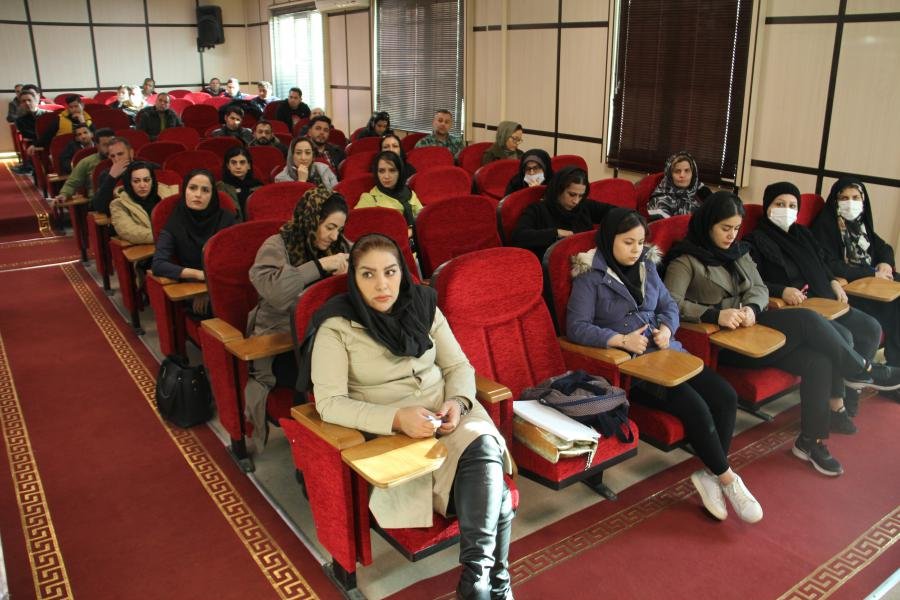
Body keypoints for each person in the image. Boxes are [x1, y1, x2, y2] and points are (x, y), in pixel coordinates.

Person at [302, 232, 513, 599]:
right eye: (368, 274)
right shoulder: (335, 325)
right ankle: (494, 583)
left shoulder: (423, 305)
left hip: (448, 416)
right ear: (353, 278)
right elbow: (330, 403)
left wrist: (458, 402)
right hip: (391, 437)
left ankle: (476, 580)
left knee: (481, 442)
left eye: (390, 272)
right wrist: (398, 418)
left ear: (403, 271)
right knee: (498, 498)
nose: (382, 285)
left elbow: (458, 366)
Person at [663, 192, 889, 477]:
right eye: (725, 228)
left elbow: (759, 288)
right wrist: (714, 314)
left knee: (818, 361)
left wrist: (752, 308)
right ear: (708, 224)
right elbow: (670, 303)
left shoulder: (739, 252)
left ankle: (811, 442)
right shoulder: (685, 260)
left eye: (736, 228)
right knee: (807, 319)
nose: (731, 235)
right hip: (724, 343)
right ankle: (863, 369)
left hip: (754, 328)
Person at [568, 208, 762, 523]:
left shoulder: (647, 265)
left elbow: (669, 304)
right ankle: (728, 479)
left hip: (667, 352)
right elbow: (576, 327)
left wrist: (668, 329)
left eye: (640, 242)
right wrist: (620, 340)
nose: (636, 250)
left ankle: (710, 475)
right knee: (697, 407)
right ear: (609, 240)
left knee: (725, 395)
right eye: (628, 242)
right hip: (634, 369)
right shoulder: (590, 277)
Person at [744, 182, 897, 415]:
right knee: (844, 336)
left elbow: (823, 263)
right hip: (794, 307)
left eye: (792, 206)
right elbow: (753, 281)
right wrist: (781, 291)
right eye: (780, 204)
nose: (786, 210)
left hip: (822, 298)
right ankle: (842, 399)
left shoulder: (803, 234)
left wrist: (833, 281)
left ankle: (853, 388)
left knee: (870, 328)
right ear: (767, 207)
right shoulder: (755, 241)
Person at [244, 186, 350, 447]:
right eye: (329, 227)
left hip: (326, 337)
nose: (334, 236)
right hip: (282, 341)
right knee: (320, 377)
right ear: (311, 220)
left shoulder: (339, 245)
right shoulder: (276, 245)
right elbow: (278, 293)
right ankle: (312, 448)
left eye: (339, 229)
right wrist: (321, 265)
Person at [811, 177, 900, 371]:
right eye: (844, 198)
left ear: (863, 200)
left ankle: (895, 364)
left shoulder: (861, 224)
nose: (850, 203)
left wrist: (885, 264)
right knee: (895, 306)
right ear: (835, 201)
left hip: (869, 284)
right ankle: (891, 365)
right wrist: (871, 273)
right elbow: (831, 265)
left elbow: (884, 247)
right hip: (848, 288)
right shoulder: (824, 226)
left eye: (855, 197)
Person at [152, 169, 237, 316]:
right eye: (192, 188)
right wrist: (199, 277)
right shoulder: (175, 222)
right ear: (184, 190)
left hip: (225, 284)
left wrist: (209, 288)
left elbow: (235, 261)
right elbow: (158, 264)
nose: (198, 194)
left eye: (205, 190)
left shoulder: (227, 219)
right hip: (193, 286)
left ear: (212, 195)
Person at [511, 166, 612, 259]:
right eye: (572, 194)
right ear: (559, 190)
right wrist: (556, 233)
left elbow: (615, 213)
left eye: (581, 196)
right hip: (552, 265)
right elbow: (518, 236)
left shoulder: (584, 205)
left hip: (588, 263)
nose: (576, 201)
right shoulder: (538, 209)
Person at [109, 161, 175, 244]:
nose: (142, 185)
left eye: (146, 180)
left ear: (152, 181)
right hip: (147, 248)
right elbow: (130, 232)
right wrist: (168, 236)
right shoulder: (119, 204)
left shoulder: (170, 193)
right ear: (129, 183)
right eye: (136, 181)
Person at [356, 151, 423, 225]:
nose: (386, 176)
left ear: (400, 172)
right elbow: (356, 226)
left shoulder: (409, 193)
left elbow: (422, 221)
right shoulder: (369, 199)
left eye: (392, 170)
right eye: (381, 171)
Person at [52, 128, 116, 205]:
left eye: (113, 144)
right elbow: (72, 183)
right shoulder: (86, 162)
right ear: (97, 145)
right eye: (105, 145)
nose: (110, 148)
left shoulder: (123, 158)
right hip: (100, 202)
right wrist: (64, 194)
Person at [647, 151, 711, 220]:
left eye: (687, 171)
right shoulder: (660, 200)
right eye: (677, 171)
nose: (682, 175)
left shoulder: (702, 192)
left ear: (693, 174)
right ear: (670, 175)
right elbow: (661, 226)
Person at [92, 136, 137, 215]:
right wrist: (111, 177)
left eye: (120, 154)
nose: (117, 159)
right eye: (113, 156)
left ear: (131, 153)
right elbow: (99, 207)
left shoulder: (147, 168)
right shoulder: (106, 175)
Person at [216, 146, 262, 218]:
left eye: (242, 162)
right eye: (234, 163)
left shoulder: (258, 187)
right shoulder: (221, 188)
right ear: (228, 166)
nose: (238, 167)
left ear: (249, 166)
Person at [12, 89, 49, 173]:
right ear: (20, 104)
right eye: (23, 101)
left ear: (36, 101)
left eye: (29, 100)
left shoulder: (48, 114)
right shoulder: (20, 120)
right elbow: (30, 135)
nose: (27, 103)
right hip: (36, 144)